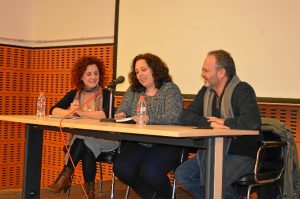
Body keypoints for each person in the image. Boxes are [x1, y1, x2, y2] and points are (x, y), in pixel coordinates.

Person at [175, 50, 261, 199]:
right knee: (183, 175)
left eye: (206, 70)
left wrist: (225, 122)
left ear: (221, 73)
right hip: (212, 151)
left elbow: (252, 122)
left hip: (242, 153)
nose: (202, 74)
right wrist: (210, 123)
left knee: (212, 179)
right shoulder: (206, 92)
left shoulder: (243, 90)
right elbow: (185, 116)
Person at [47, 56, 119, 199]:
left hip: (107, 138)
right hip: (87, 140)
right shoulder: (75, 93)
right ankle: (89, 192)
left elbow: (104, 114)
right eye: (89, 74)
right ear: (81, 76)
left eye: (96, 73)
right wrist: (70, 112)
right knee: (86, 144)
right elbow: (53, 110)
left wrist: (79, 112)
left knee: (82, 139)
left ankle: (65, 175)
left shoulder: (105, 93)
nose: (93, 77)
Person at [113, 53, 183, 199]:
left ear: (154, 69)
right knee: (121, 168)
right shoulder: (134, 91)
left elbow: (174, 117)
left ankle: (166, 195)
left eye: (143, 69)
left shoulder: (170, 89)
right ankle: (151, 195)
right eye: (137, 71)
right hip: (139, 140)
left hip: (166, 142)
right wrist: (121, 114)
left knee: (150, 172)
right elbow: (122, 109)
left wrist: (149, 119)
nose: (140, 75)